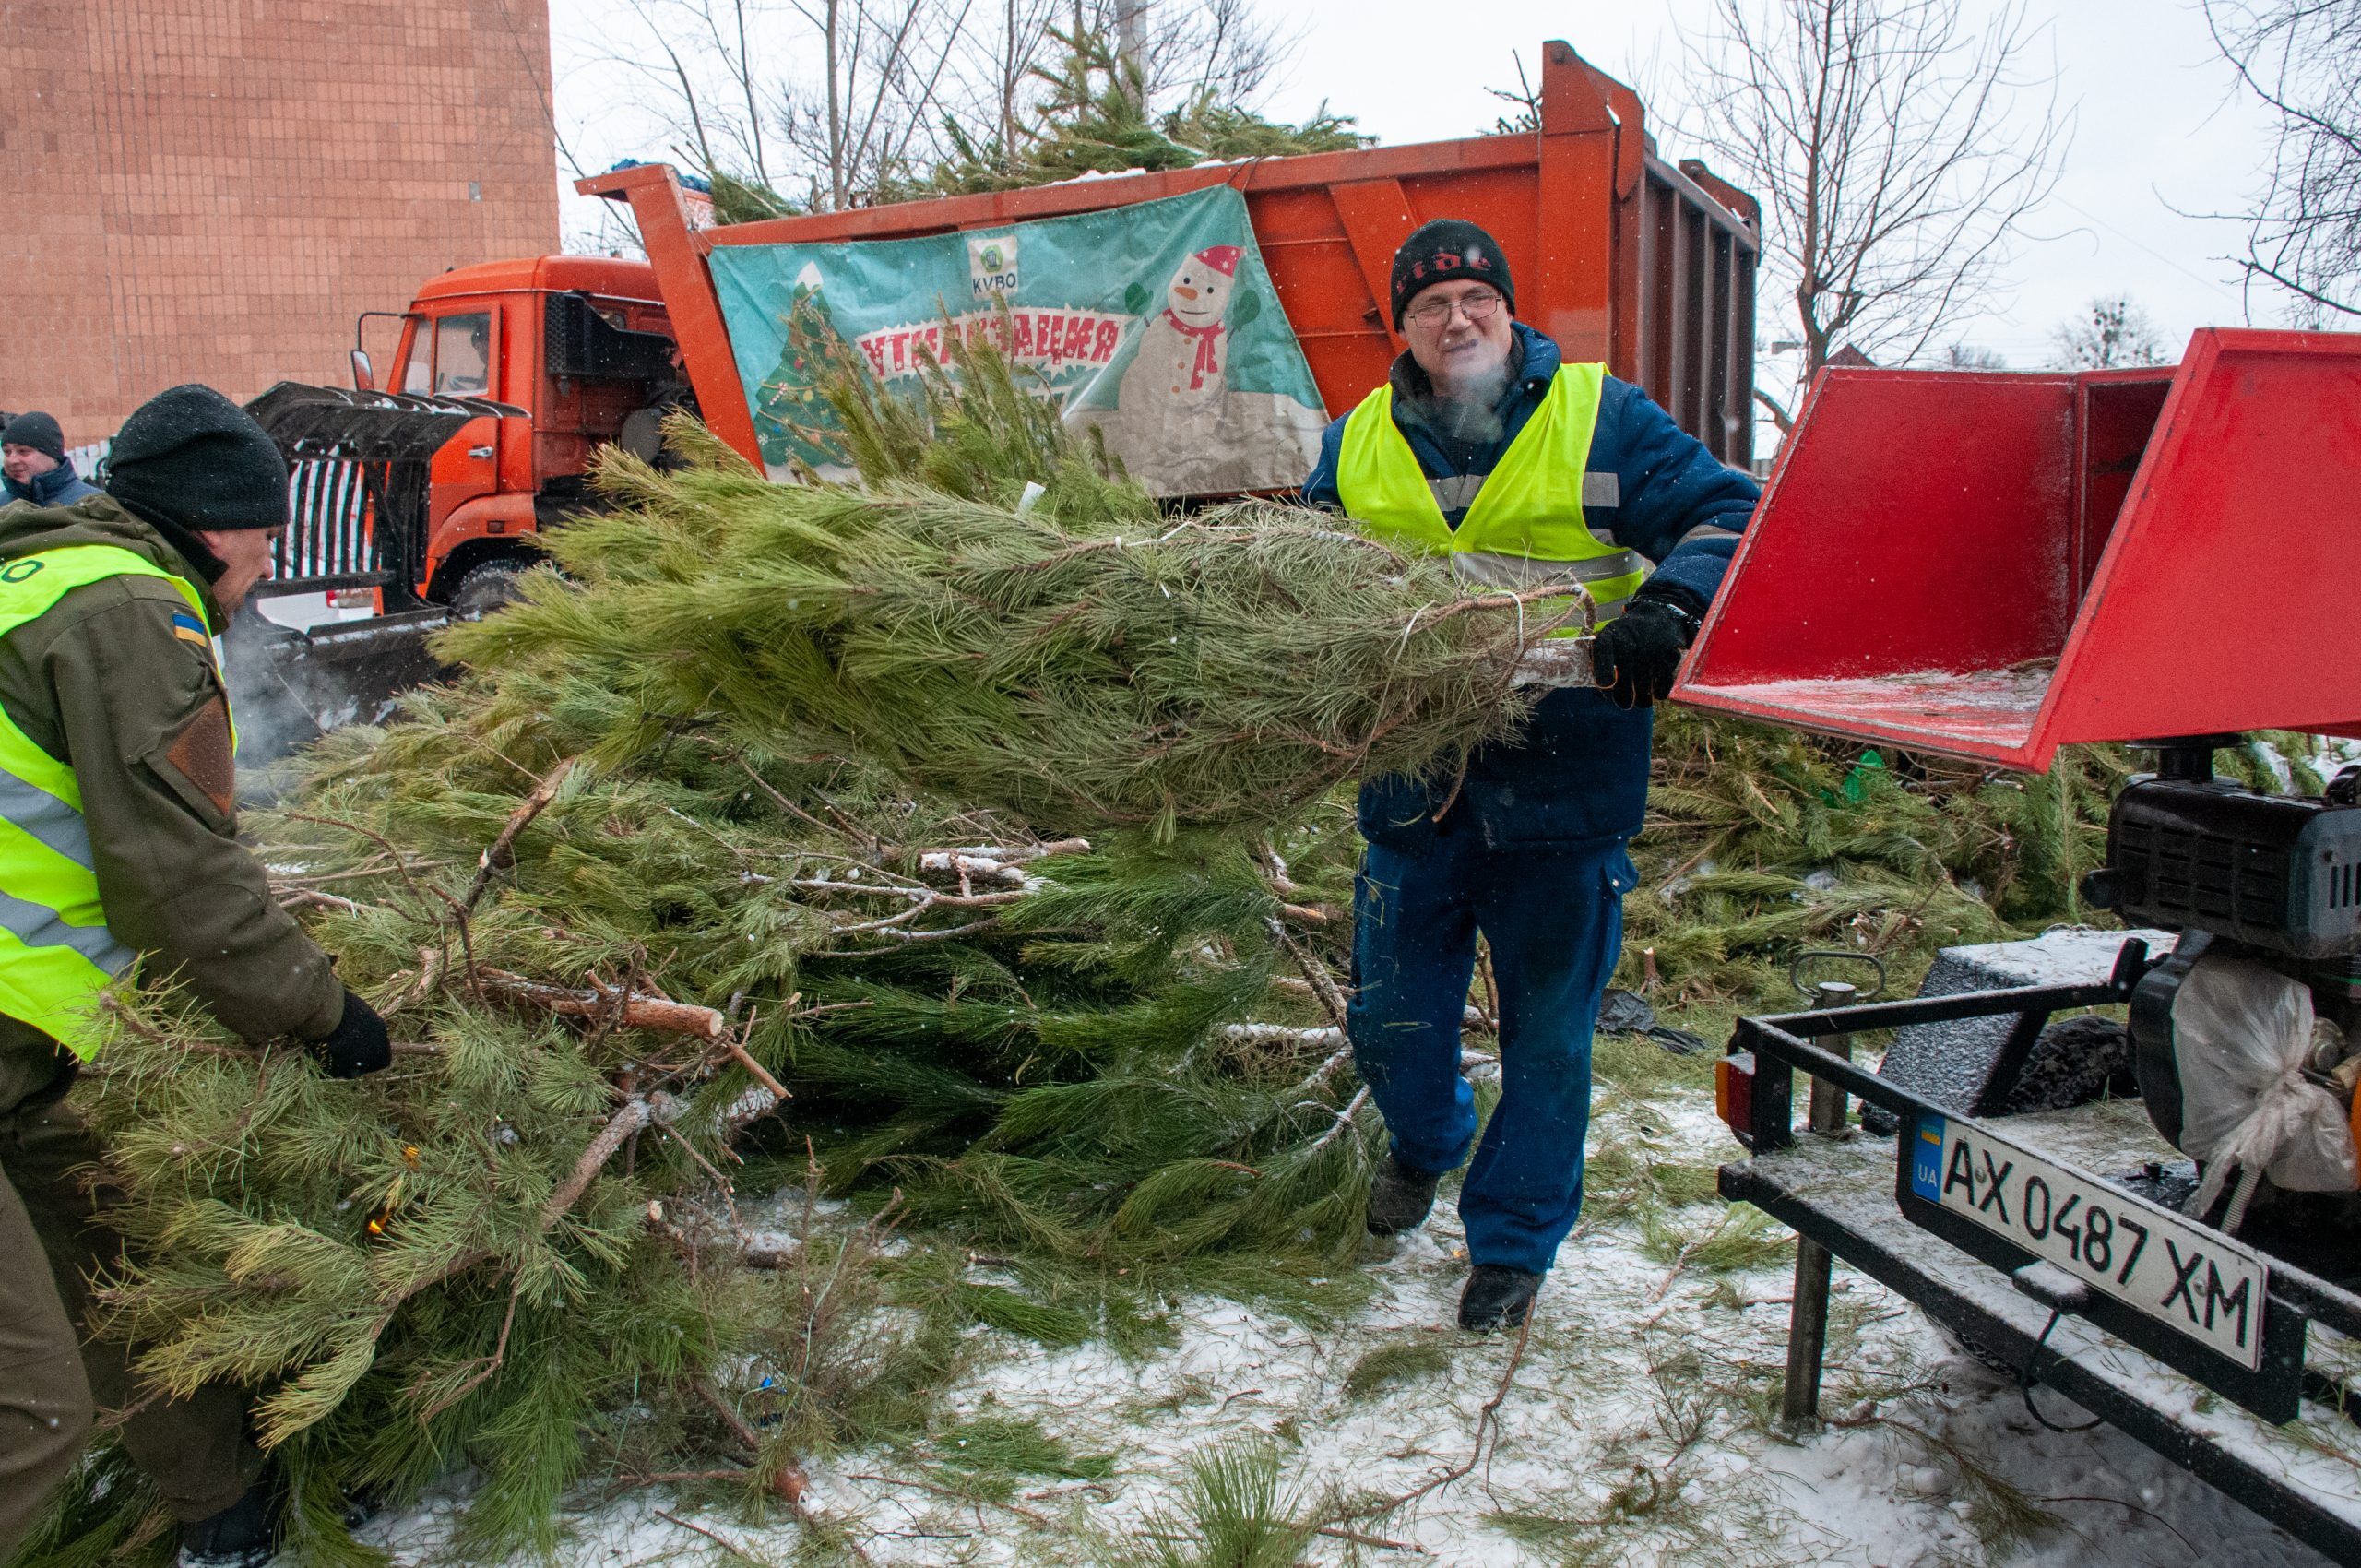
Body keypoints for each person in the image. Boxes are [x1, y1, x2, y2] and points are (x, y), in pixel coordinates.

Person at [1303, 220, 1759, 1332]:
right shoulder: (1355, 440)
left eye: (1475, 298)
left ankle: (1510, 1244)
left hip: (1564, 787)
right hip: (1418, 790)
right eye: (1430, 305)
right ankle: (1426, 1139)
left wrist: (1666, 603)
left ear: (1506, 310)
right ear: (1402, 328)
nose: (1456, 319)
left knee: (1546, 1041)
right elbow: (1303, 575)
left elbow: (1730, 510)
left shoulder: (1598, 415)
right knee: (1393, 1019)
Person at [0, 385, 391, 1567]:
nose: (268, 562)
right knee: (35, 1413)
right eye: (266, 537)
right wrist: (322, 1012)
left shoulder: (35, 575)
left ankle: (218, 1500)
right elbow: (173, 875)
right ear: (217, 525)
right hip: (20, 1020)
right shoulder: (128, 609)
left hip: (34, 1042)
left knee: (121, 1254)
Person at [2, 412, 100, 510]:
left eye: (23, 451)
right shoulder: (3, 504)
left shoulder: (93, 505)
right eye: (7, 452)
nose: (12, 460)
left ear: (51, 454)